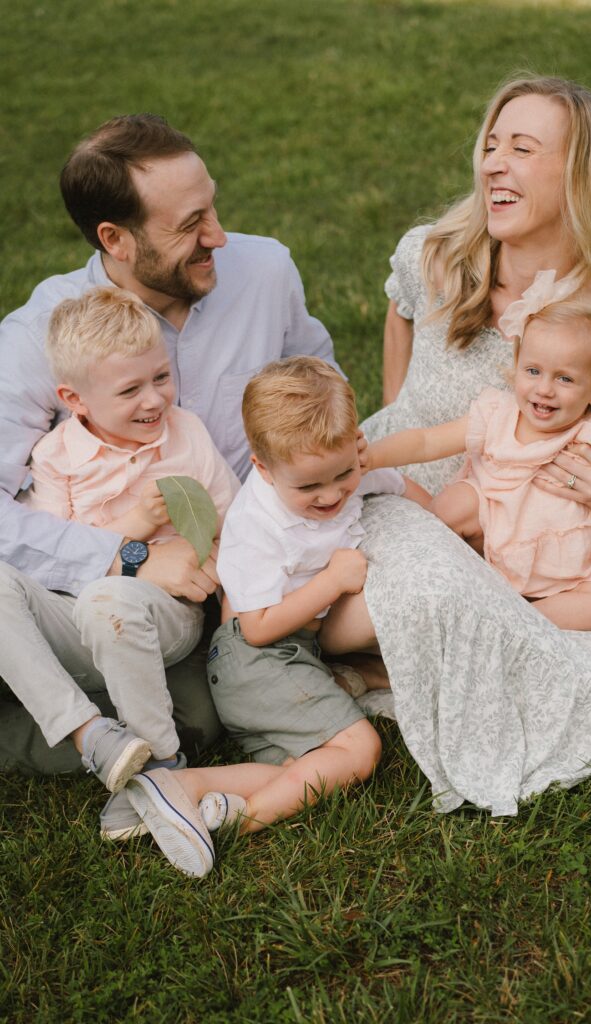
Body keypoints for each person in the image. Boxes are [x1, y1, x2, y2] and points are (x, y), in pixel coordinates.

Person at [318, 75, 591, 816]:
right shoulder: (435, 254)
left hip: (516, 529)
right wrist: (396, 414)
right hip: (412, 485)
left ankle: (411, 648)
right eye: (488, 146)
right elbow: (399, 322)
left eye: (520, 148)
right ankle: (394, 644)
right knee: (333, 602)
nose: (491, 164)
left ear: (580, 175)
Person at [0, 114, 337, 834]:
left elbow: (321, 388)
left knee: (206, 717)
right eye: (190, 225)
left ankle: (139, 754)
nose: (217, 236)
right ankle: (95, 740)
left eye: (213, 207)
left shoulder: (266, 270)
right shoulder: (40, 337)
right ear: (114, 240)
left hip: (228, 594)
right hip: (89, 592)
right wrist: (129, 555)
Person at [122, 356, 431, 877]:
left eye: (344, 474)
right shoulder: (257, 523)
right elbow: (257, 624)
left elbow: (412, 494)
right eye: (310, 489)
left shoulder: (350, 470)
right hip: (255, 656)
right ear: (263, 469)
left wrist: (452, 535)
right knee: (359, 749)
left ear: (356, 444)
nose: (332, 495)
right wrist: (331, 582)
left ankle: (190, 790)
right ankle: (240, 826)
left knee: (297, 769)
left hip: (292, 657)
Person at [1, 286, 239, 800]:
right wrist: (132, 530)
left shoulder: (187, 436)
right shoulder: (55, 457)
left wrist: (208, 563)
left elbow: (231, 524)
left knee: (109, 601)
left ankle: (159, 764)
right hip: (72, 622)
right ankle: (91, 735)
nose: (154, 399)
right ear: (74, 400)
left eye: (160, 377)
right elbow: (49, 563)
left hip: (162, 617)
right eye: (130, 390)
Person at [365, 281, 591, 630]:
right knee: (455, 505)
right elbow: (426, 442)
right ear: (517, 366)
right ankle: (444, 589)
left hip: (559, 567)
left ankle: (514, 624)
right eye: (533, 371)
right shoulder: (498, 414)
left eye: (564, 378)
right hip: (487, 539)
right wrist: (369, 456)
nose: (544, 389)